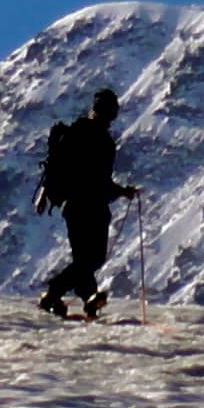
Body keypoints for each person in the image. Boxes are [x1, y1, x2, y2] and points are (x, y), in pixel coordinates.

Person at [33, 88, 138, 319]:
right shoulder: (103, 142)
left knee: (84, 259)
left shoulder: (76, 132)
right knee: (92, 258)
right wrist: (122, 191)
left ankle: (88, 298)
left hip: (74, 205)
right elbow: (100, 180)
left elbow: (62, 167)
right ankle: (54, 293)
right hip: (91, 206)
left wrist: (46, 193)